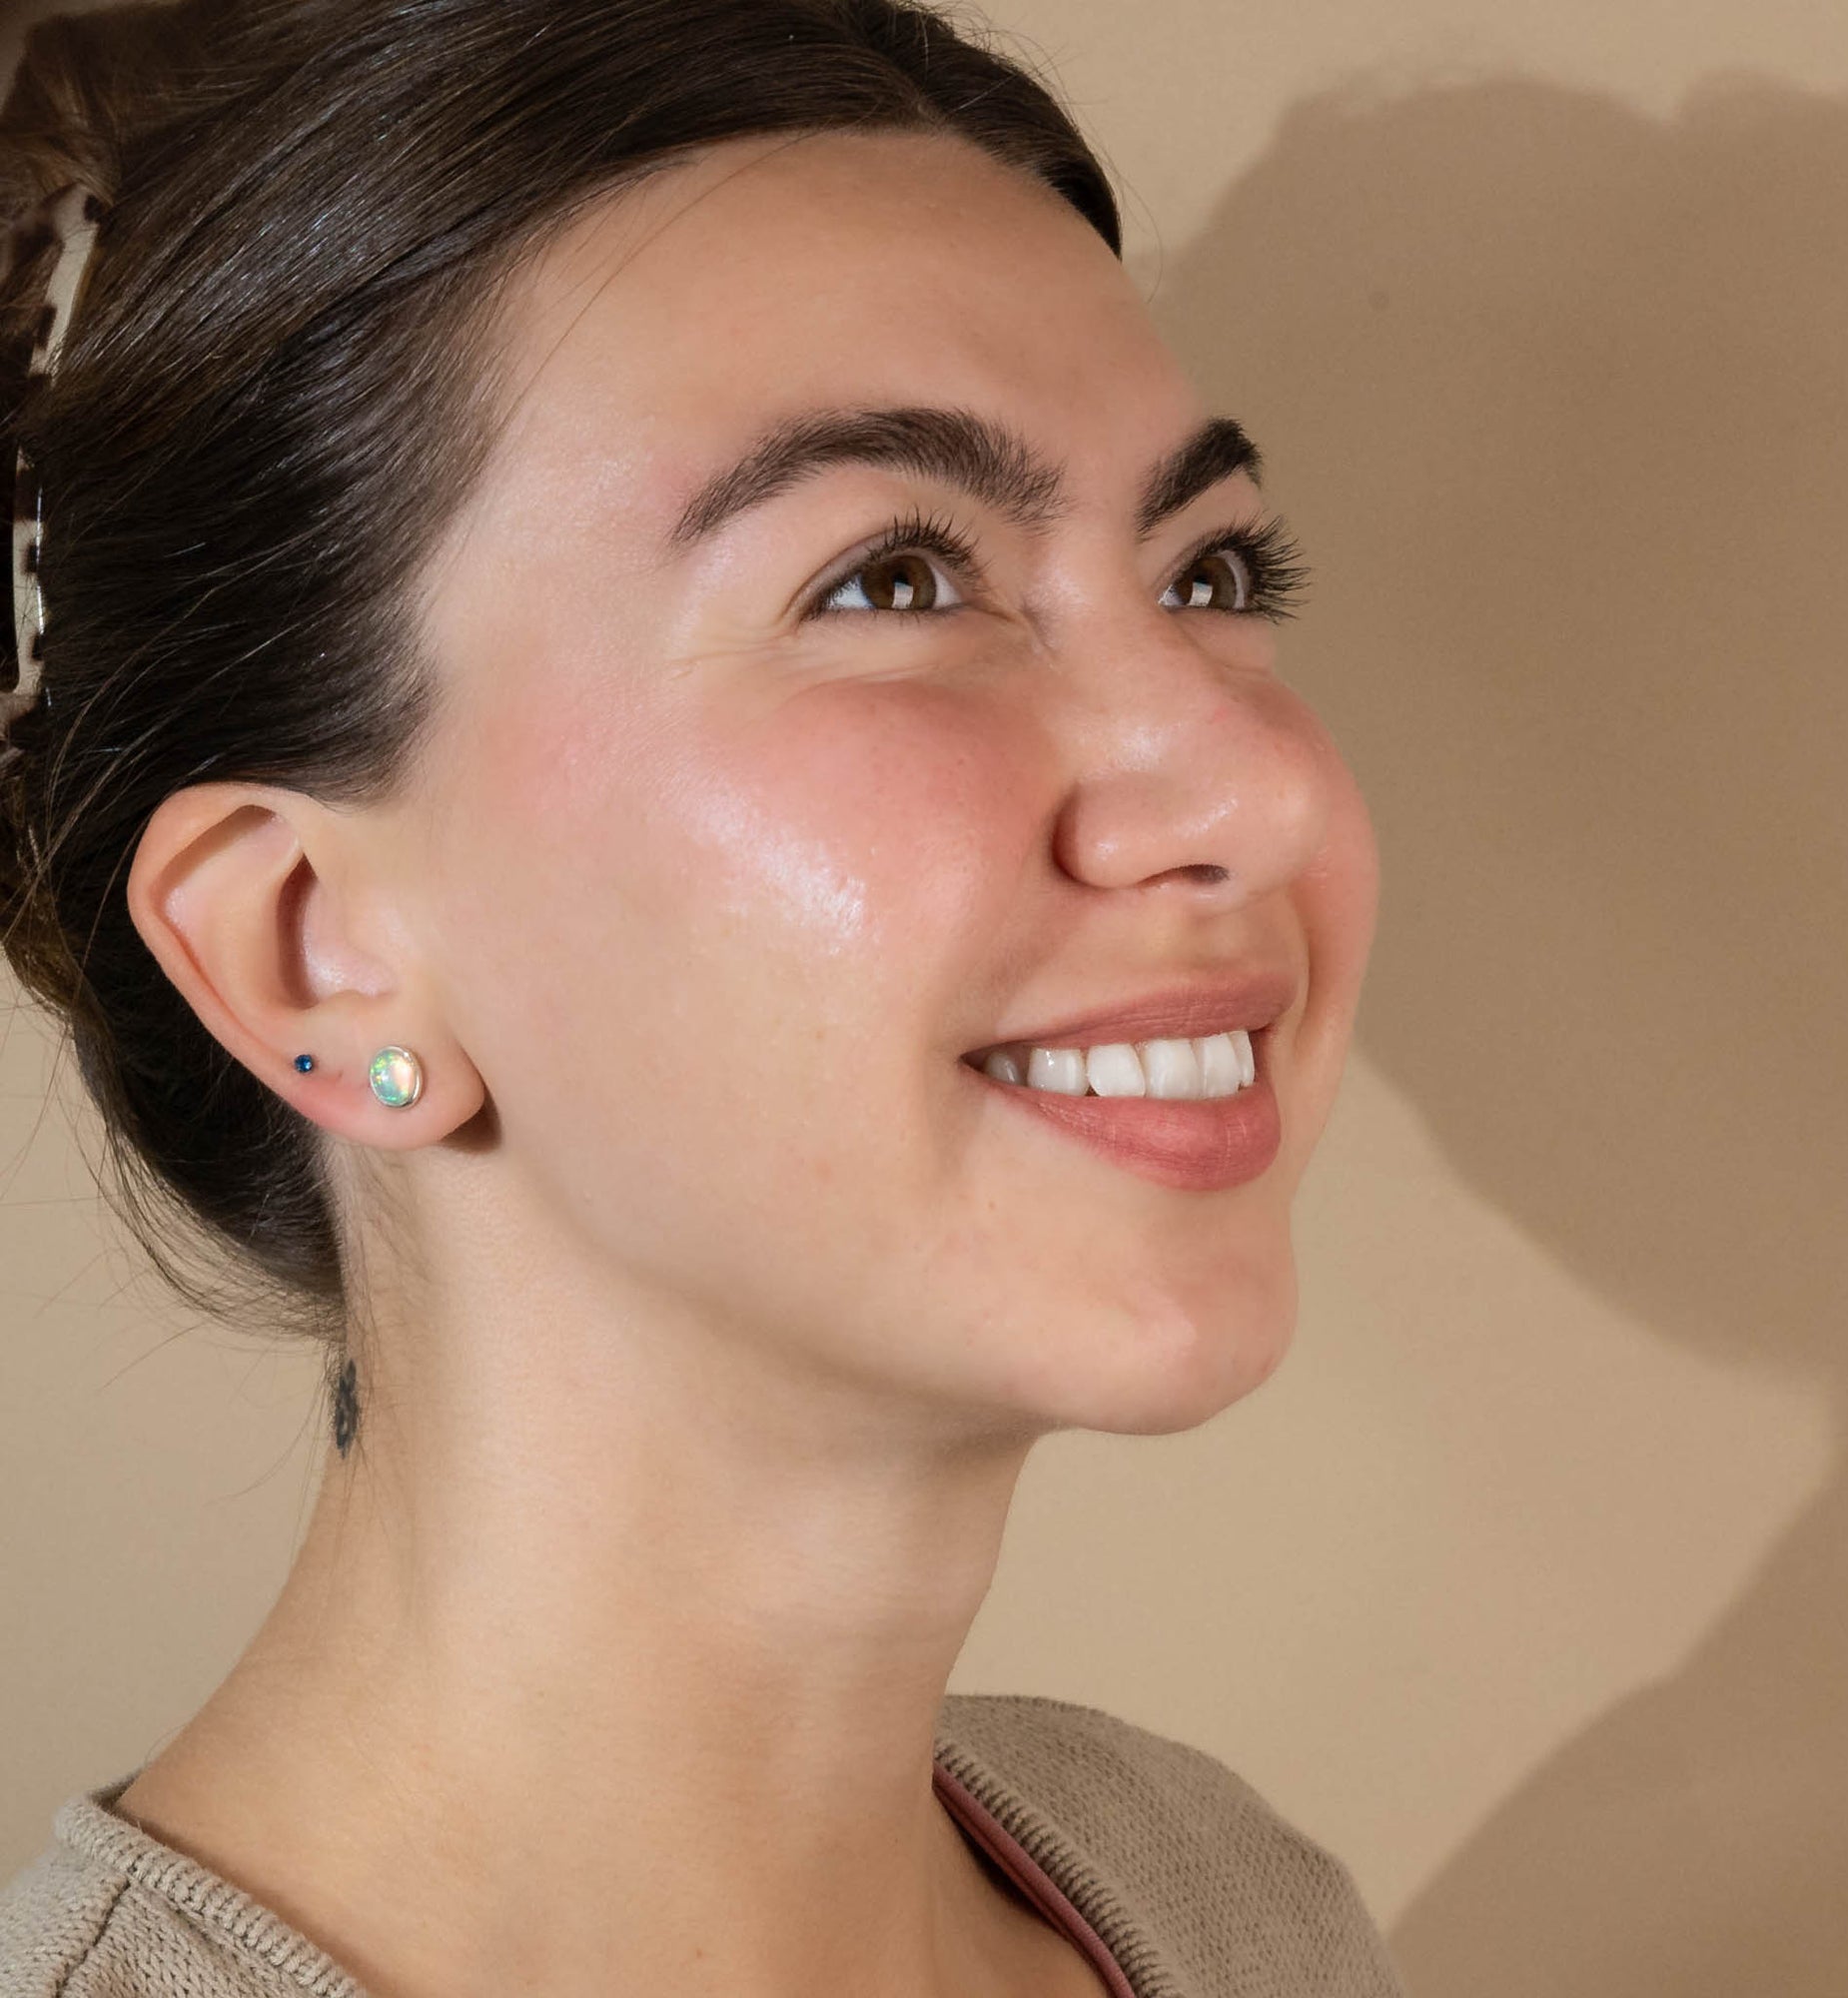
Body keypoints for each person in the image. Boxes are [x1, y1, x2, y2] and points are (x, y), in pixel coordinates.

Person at [0, 1, 1392, 1993]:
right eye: (894, 580)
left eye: (1213, 572)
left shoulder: (1226, 1903)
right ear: (314, 945)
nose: (1255, 785)